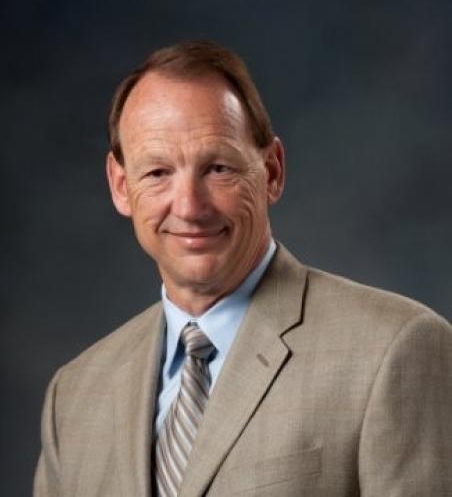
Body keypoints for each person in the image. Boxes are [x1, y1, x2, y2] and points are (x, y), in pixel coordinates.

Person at [34, 41, 452, 496]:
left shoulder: (395, 350)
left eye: (218, 168)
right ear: (120, 186)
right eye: (157, 173)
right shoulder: (74, 396)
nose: (189, 207)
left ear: (271, 171)